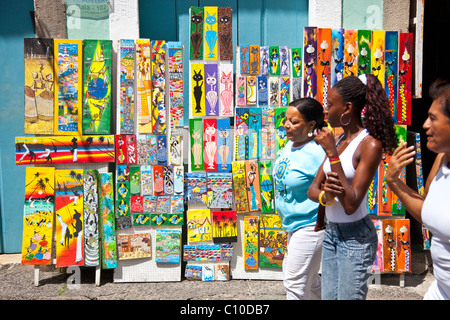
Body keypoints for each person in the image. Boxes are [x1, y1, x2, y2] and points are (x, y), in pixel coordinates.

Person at [307, 73, 398, 300]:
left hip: (355, 238)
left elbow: (350, 203)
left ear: (347, 108)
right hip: (332, 234)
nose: (326, 111)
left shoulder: (369, 145)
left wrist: (331, 154)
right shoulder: (338, 140)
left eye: (330, 105)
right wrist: (325, 196)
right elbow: (312, 190)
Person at [385, 79, 450, 300]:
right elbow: (428, 211)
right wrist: (394, 182)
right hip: (440, 290)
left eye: (433, 118)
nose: (424, 125)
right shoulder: (443, 160)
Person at [273, 97, 327, 300]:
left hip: (310, 226)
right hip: (292, 226)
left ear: (311, 125)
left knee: (294, 283)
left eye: (294, 122)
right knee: (311, 282)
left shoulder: (316, 153)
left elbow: (330, 187)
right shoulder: (289, 145)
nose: (287, 125)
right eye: (286, 120)